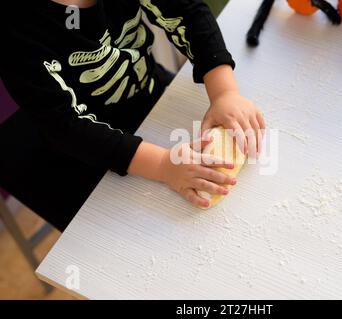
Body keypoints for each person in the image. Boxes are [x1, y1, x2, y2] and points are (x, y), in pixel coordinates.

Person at [0, 0, 265, 230]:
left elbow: (187, 12)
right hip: (91, 154)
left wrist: (223, 92)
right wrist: (162, 164)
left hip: (150, 94)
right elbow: (65, 127)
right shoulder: (17, 33)